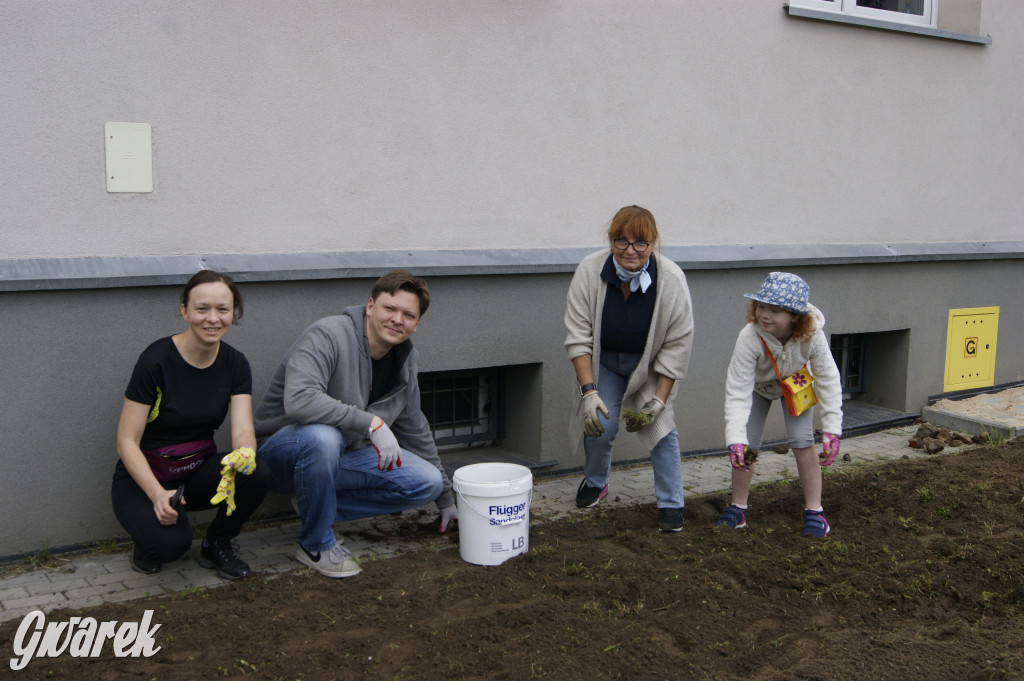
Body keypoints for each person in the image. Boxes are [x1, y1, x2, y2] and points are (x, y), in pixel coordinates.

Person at [253, 269, 456, 578]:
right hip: (279, 456)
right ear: (371, 306)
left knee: (426, 481)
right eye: (390, 308)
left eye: (408, 315)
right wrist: (371, 423)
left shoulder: (405, 361)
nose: (397, 319)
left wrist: (445, 498)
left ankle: (316, 508)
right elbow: (300, 399)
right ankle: (316, 544)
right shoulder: (328, 334)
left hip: (342, 456)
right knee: (323, 437)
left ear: (416, 325)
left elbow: (415, 429)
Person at [112, 270, 269, 579]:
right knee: (170, 546)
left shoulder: (236, 363)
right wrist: (158, 494)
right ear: (184, 310)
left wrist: (245, 453)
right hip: (145, 478)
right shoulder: (155, 361)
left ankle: (217, 542)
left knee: (258, 471)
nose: (213, 319)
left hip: (195, 471)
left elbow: (242, 429)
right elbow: (126, 441)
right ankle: (147, 539)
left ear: (232, 313)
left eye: (222, 309)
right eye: (202, 309)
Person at [564, 205, 695, 532]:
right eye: (621, 241)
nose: (630, 251)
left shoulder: (672, 280)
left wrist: (659, 400)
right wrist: (589, 393)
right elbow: (578, 337)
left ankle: (671, 502)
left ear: (653, 244)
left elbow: (677, 346)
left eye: (640, 243)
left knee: (660, 429)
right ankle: (596, 482)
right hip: (605, 362)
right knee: (598, 424)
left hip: (649, 367)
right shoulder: (590, 270)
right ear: (610, 241)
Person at [718, 272, 843, 538]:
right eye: (761, 306)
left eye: (774, 310)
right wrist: (735, 438)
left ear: (795, 317)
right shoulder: (750, 336)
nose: (764, 314)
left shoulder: (812, 335)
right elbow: (738, 388)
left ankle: (815, 512)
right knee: (747, 447)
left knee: (802, 441)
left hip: (796, 385)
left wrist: (833, 428)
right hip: (758, 388)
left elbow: (828, 379)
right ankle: (738, 508)